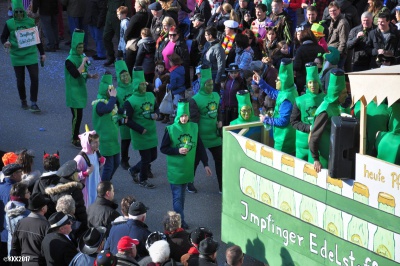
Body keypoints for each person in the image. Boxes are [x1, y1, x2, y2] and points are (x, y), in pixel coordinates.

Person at [160, 99, 212, 229]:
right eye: (182, 116)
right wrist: (177, 150)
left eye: (186, 116)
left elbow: (200, 146)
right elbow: (163, 148)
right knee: (177, 198)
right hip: (176, 171)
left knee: (181, 197)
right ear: (178, 115)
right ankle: (180, 222)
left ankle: (178, 219)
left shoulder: (193, 127)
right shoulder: (171, 129)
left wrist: (206, 163)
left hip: (187, 170)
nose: (184, 118)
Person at [1, 0, 45, 112]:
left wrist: (42, 53)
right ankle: (23, 100)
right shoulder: (9, 23)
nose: (19, 14)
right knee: (20, 80)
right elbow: (3, 37)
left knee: (34, 78)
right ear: (14, 12)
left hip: (30, 54)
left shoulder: (30, 22)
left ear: (24, 12)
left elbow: (37, 39)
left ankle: (34, 103)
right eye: (17, 12)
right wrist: (6, 43)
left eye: (21, 12)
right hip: (17, 55)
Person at [189, 67, 223, 193]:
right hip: (201, 137)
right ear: (203, 85)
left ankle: (221, 186)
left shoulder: (216, 95)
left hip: (215, 135)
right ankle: (189, 183)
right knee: (195, 162)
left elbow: (219, 110)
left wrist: (220, 120)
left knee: (220, 161)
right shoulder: (195, 100)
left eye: (212, 84)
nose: (210, 87)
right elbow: (193, 122)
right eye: (208, 84)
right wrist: (196, 137)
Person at [255, 58, 298, 155]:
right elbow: (274, 93)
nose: (275, 81)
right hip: (287, 137)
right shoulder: (290, 91)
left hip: (284, 140)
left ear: (284, 81)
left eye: (278, 79)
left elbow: (283, 121)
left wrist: (266, 120)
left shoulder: (286, 99)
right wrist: (260, 82)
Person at [308, 69, 349, 172]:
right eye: (344, 93)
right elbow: (314, 136)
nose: (346, 95)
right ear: (337, 94)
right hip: (322, 160)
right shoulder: (325, 111)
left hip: (331, 154)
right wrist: (316, 159)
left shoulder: (334, 105)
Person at [125, 68, 158, 189]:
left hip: (151, 132)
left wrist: (156, 114)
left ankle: (133, 169)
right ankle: (142, 179)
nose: (144, 87)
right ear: (136, 86)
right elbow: (126, 120)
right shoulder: (130, 101)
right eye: (141, 85)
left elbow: (156, 108)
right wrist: (140, 129)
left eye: (144, 84)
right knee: (146, 158)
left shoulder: (150, 95)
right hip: (140, 134)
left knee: (153, 156)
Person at [65, 29, 99, 148]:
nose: (81, 49)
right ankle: (74, 138)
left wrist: (90, 76)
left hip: (80, 90)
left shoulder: (81, 57)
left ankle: (76, 135)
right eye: (79, 47)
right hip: (73, 92)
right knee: (77, 116)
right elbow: (76, 73)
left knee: (79, 115)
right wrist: (84, 62)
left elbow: (83, 72)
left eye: (82, 46)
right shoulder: (69, 60)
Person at [290, 63, 325, 161]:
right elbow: (293, 122)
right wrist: (309, 128)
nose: (312, 85)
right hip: (302, 144)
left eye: (315, 82)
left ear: (319, 83)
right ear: (306, 84)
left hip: (320, 145)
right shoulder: (299, 100)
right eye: (310, 82)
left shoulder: (325, 100)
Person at [45, 160, 88, 236]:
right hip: (72, 226)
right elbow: (81, 212)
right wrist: (85, 227)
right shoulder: (75, 190)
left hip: (58, 224)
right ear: (73, 175)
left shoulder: (55, 189)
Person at [92, 73, 121, 181]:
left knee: (116, 163)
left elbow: (113, 115)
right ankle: (103, 187)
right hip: (104, 141)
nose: (113, 91)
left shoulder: (110, 102)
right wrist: (113, 97)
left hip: (113, 140)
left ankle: (106, 182)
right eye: (110, 89)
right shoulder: (99, 104)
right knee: (108, 166)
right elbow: (108, 109)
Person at [10, 193, 50, 265]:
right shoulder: (46, 226)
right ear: (43, 208)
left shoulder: (21, 223)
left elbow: (14, 247)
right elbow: (48, 251)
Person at [75, 131, 105, 206]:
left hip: (96, 185)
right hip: (87, 189)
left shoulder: (96, 152)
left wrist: (101, 162)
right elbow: (73, 176)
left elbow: (96, 168)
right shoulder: (80, 158)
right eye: (95, 142)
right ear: (87, 143)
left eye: (98, 141)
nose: (98, 144)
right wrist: (85, 173)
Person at [0, 163, 23, 259]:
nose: (22, 174)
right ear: (14, 175)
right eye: (20, 172)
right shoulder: (16, 191)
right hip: (9, 234)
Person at [293, 28, 325, 94]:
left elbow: (297, 66)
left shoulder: (300, 50)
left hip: (303, 80)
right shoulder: (320, 48)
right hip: (317, 79)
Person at [124, 0, 152, 73]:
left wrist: (127, 41)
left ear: (139, 6)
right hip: (145, 43)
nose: (134, 6)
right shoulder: (150, 16)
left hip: (133, 46)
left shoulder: (135, 17)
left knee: (130, 68)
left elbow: (127, 33)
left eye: (135, 5)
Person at [103, 0, 132, 67]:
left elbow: (128, 7)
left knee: (121, 38)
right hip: (109, 16)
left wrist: (127, 18)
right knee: (105, 37)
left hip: (119, 18)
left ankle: (120, 59)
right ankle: (111, 57)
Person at [4, 183, 30, 256]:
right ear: (22, 196)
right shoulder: (25, 213)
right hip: (23, 249)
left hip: (11, 246)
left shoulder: (8, 208)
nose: (29, 193)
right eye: (27, 192)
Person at [32, 151, 60, 218]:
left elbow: (35, 198)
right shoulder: (62, 179)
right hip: (59, 214)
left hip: (44, 214)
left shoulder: (39, 182)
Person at [201, 26, 226, 94]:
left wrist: (217, 79)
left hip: (214, 75)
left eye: (206, 35)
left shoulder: (218, 48)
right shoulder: (207, 44)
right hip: (206, 73)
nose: (205, 36)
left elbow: (221, 64)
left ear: (210, 36)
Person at [326, 1, 350, 69]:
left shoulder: (342, 23)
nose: (332, 13)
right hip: (332, 53)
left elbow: (343, 42)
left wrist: (338, 55)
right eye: (330, 11)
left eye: (334, 10)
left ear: (339, 10)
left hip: (338, 55)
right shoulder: (333, 20)